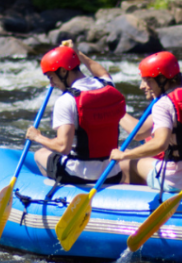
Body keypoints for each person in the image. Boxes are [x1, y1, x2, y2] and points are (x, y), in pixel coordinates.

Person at [111, 51, 182, 193]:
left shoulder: (164, 104)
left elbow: (159, 144)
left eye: (148, 80)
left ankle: (131, 202)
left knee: (129, 163)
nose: (142, 86)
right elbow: (141, 133)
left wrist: (123, 155)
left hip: (178, 182)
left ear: (163, 79)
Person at [27, 45, 127, 185]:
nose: (51, 84)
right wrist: (77, 53)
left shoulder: (67, 100)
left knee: (40, 154)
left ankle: (58, 192)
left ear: (63, 71)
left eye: (51, 77)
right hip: (111, 172)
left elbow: (63, 147)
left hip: (78, 175)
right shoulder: (107, 86)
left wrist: (37, 136)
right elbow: (102, 72)